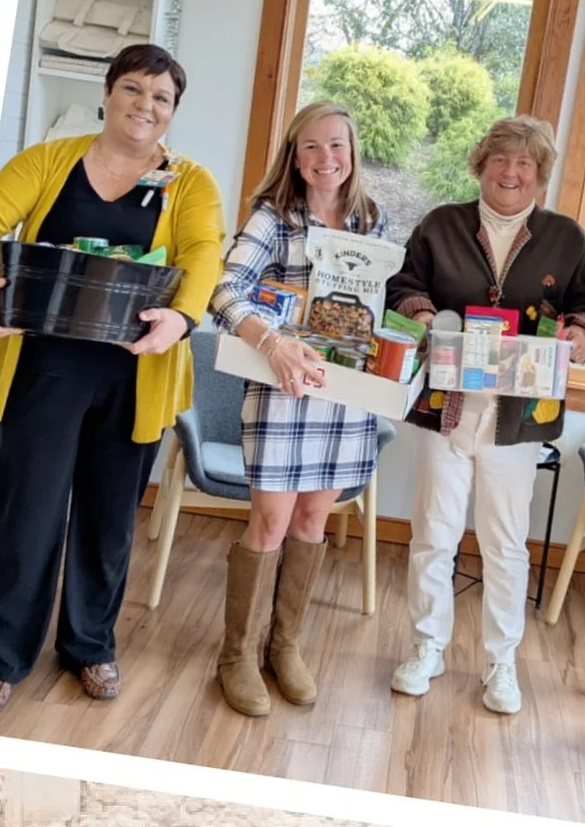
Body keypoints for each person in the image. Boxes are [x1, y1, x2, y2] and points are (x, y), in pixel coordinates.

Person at [0, 44, 225, 711]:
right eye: (134, 90)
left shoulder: (189, 182)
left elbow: (203, 253)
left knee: (109, 521)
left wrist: (183, 318)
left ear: (172, 113)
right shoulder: (50, 160)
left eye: (161, 98)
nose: (146, 106)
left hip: (134, 373)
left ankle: (91, 646)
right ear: (108, 93)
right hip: (42, 372)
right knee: (26, 517)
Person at [385, 115, 585, 715]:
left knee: (506, 542)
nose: (511, 173)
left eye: (525, 164)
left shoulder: (565, 237)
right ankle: (427, 646)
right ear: (481, 164)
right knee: (433, 533)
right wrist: (424, 315)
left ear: (539, 174)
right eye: (500, 160)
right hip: (445, 406)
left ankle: (500, 663)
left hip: (518, 415)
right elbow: (401, 287)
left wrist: (582, 334)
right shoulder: (441, 225)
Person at [208, 102, 398, 716]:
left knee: (314, 521)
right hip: (282, 387)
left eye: (336, 145)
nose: (326, 159)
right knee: (269, 522)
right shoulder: (275, 219)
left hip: (346, 396)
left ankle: (283, 646)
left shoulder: (373, 221)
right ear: (295, 155)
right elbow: (224, 292)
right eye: (312, 147)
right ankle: (236, 654)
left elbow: (390, 305)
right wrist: (273, 341)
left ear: (353, 150)